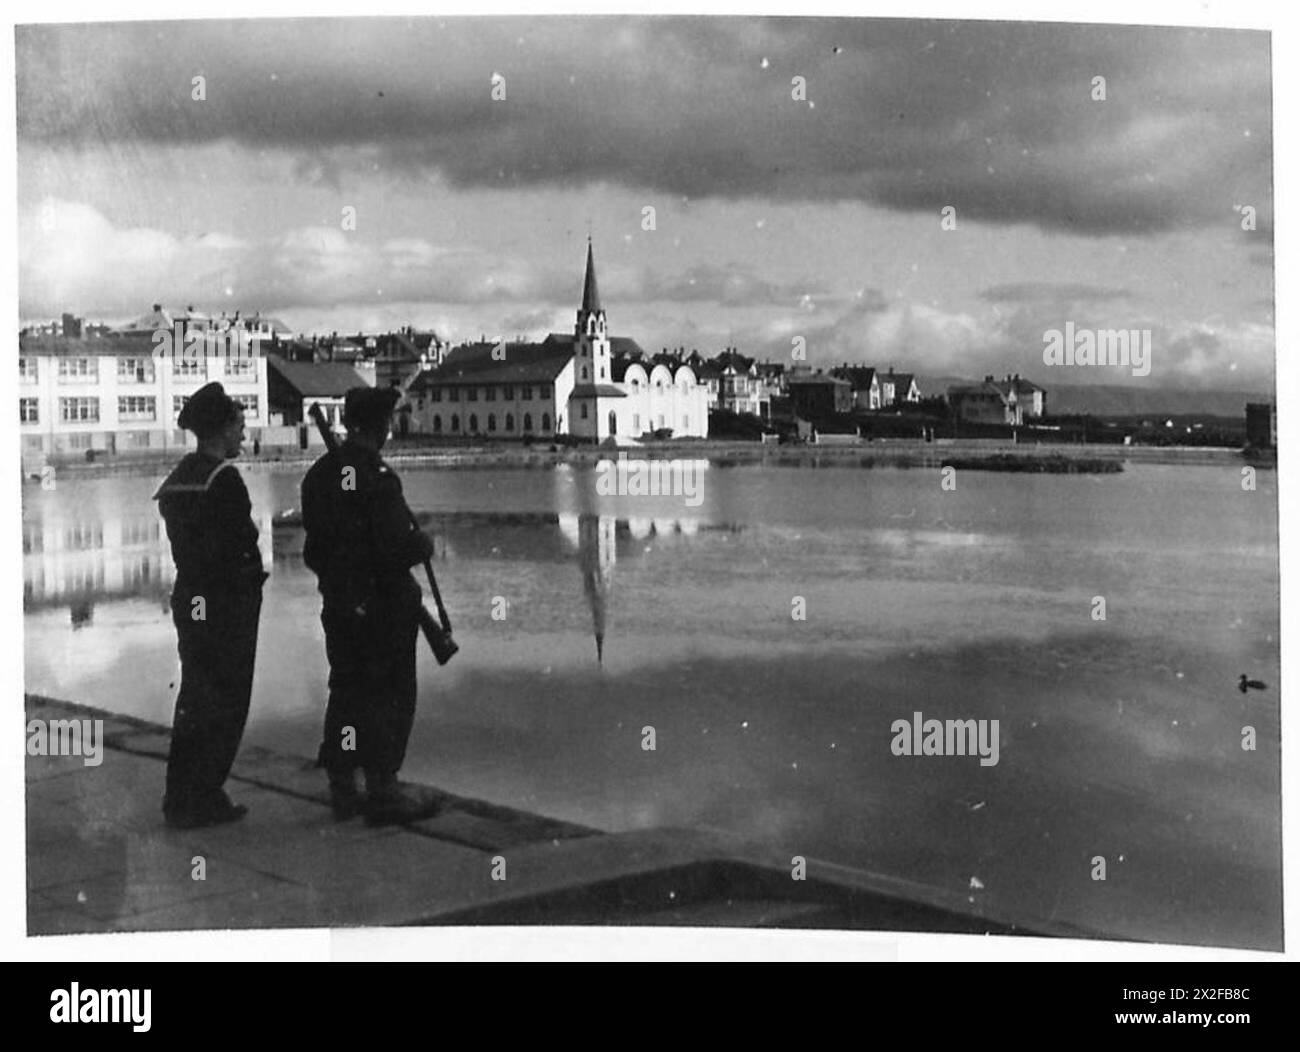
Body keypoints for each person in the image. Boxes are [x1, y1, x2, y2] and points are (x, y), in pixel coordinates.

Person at [300, 387, 434, 823]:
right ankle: (383, 788)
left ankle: (343, 786)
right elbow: (396, 547)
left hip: (340, 606)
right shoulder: (375, 475)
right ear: (383, 425)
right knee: (389, 697)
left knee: (347, 693)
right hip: (384, 610)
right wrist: (423, 543)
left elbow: (314, 552)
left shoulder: (319, 475)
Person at [154, 382, 266, 828]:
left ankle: (180, 794)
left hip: (191, 599)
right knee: (226, 697)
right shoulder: (225, 479)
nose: (243, 436)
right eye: (238, 427)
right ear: (220, 430)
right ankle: (205, 795)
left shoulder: (180, 478)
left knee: (195, 697)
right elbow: (243, 545)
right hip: (226, 604)